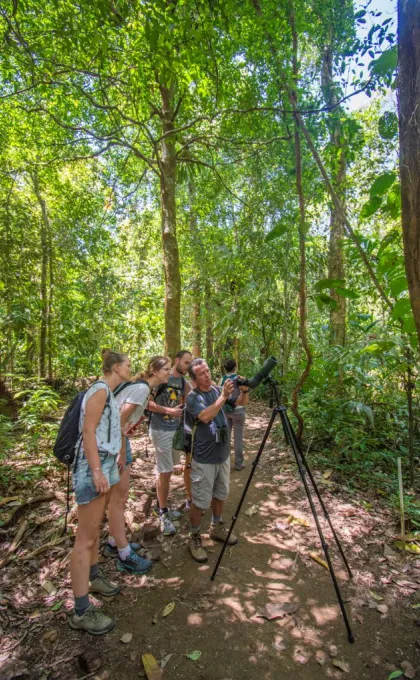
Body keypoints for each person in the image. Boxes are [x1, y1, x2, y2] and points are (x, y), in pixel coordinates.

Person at [69, 349, 130, 635]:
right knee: (85, 537)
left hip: (106, 461)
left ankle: (94, 579)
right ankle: (80, 611)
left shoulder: (108, 391)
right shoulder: (99, 390)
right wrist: (96, 470)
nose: (131, 368)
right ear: (116, 367)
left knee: (95, 531)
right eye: (127, 365)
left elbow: (106, 429)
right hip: (93, 465)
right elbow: (88, 431)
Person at [104, 356, 171, 574]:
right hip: (114, 444)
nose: (169, 373)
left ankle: (114, 541)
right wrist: (122, 450)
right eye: (166, 369)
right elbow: (120, 418)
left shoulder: (143, 389)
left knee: (118, 496)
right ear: (155, 371)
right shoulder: (142, 389)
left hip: (116, 440)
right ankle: (124, 554)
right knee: (119, 498)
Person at [185, 357, 249, 563]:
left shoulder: (215, 391)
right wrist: (222, 395)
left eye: (208, 370)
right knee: (201, 501)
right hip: (204, 458)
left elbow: (239, 404)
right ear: (194, 379)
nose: (207, 374)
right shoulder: (193, 397)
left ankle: (216, 526)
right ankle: (194, 536)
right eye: (202, 373)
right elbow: (205, 416)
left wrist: (245, 391)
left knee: (221, 493)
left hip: (222, 455)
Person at [147, 350, 192, 535]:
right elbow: (147, 402)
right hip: (160, 429)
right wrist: (168, 410)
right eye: (186, 362)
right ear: (177, 360)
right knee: (164, 472)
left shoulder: (183, 382)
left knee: (168, 470)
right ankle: (163, 514)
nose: (188, 366)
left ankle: (163, 505)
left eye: (190, 363)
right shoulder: (162, 378)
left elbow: (191, 398)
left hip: (175, 431)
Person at [220, 359, 249, 471]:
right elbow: (246, 389)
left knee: (225, 438)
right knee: (238, 438)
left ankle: (224, 463)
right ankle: (238, 464)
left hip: (225, 411)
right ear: (235, 367)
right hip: (238, 411)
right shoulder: (239, 378)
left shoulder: (222, 379)